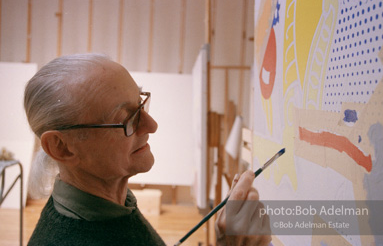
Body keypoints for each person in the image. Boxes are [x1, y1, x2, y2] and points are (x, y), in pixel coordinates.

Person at [24, 53, 271, 245]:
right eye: (126, 118)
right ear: (62, 147)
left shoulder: (110, 207)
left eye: (141, 103)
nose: (151, 125)